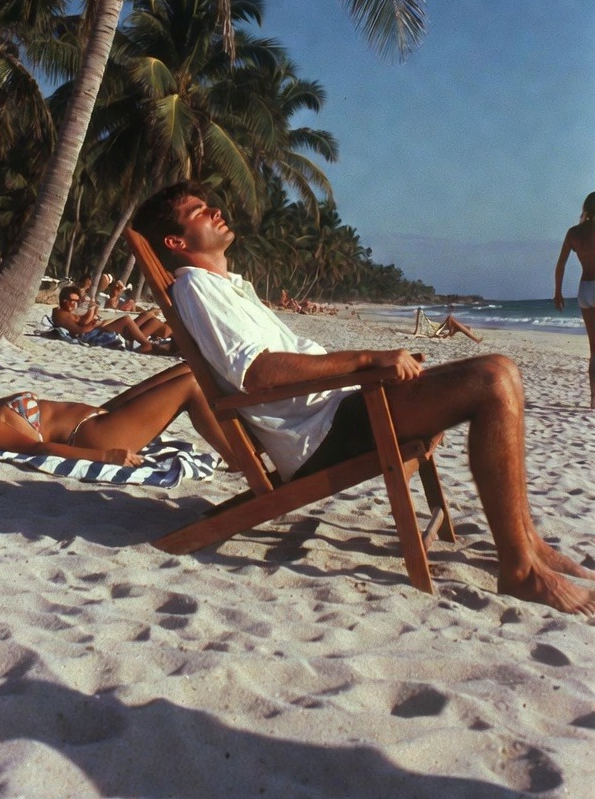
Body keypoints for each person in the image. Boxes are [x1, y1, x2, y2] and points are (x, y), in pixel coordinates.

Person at [132, 181, 595, 615]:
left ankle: (529, 543)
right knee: (492, 377)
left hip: (336, 409)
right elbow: (259, 372)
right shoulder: (197, 288)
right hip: (321, 432)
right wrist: (366, 360)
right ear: (175, 241)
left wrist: (370, 370)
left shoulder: (225, 287)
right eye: (198, 211)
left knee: (502, 371)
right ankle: (520, 570)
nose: (215, 210)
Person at [0, 368, 238, 469]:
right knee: (191, 386)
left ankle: (246, 439)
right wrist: (104, 456)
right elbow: (36, 450)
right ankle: (238, 458)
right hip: (94, 435)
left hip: (98, 415)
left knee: (188, 368)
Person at [554, 191, 595, 408]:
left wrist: (558, 292)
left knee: (593, 350)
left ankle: (594, 398)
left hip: (584, 290)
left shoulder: (574, 233)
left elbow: (561, 264)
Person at [52, 286, 174, 353]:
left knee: (151, 319)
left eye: (76, 301)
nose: (74, 304)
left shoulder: (66, 312)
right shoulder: (61, 314)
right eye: (72, 301)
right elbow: (80, 331)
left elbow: (82, 322)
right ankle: (146, 344)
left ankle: (152, 341)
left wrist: (92, 311)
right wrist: (95, 323)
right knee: (126, 319)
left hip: (99, 328)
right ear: (64, 300)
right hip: (96, 332)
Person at [413, 307, 482, 343]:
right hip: (436, 329)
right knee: (450, 318)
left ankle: (453, 331)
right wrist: (416, 332)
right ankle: (452, 331)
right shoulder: (421, 320)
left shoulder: (425, 320)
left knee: (465, 327)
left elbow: (419, 312)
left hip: (439, 326)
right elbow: (417, 328)